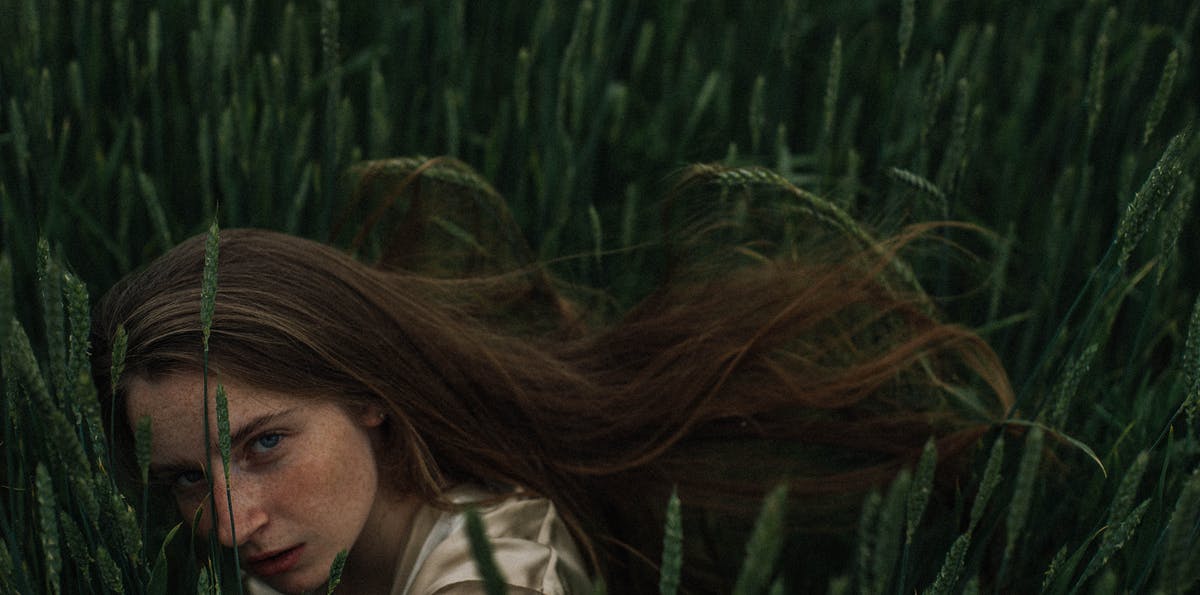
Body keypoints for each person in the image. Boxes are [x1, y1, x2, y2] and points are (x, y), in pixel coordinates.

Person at [90, 187, 1013, 593]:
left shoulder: (502, 558)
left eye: (262, 445)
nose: (229, 519)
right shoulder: (291, 555)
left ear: (370, 395)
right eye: (181, 477)